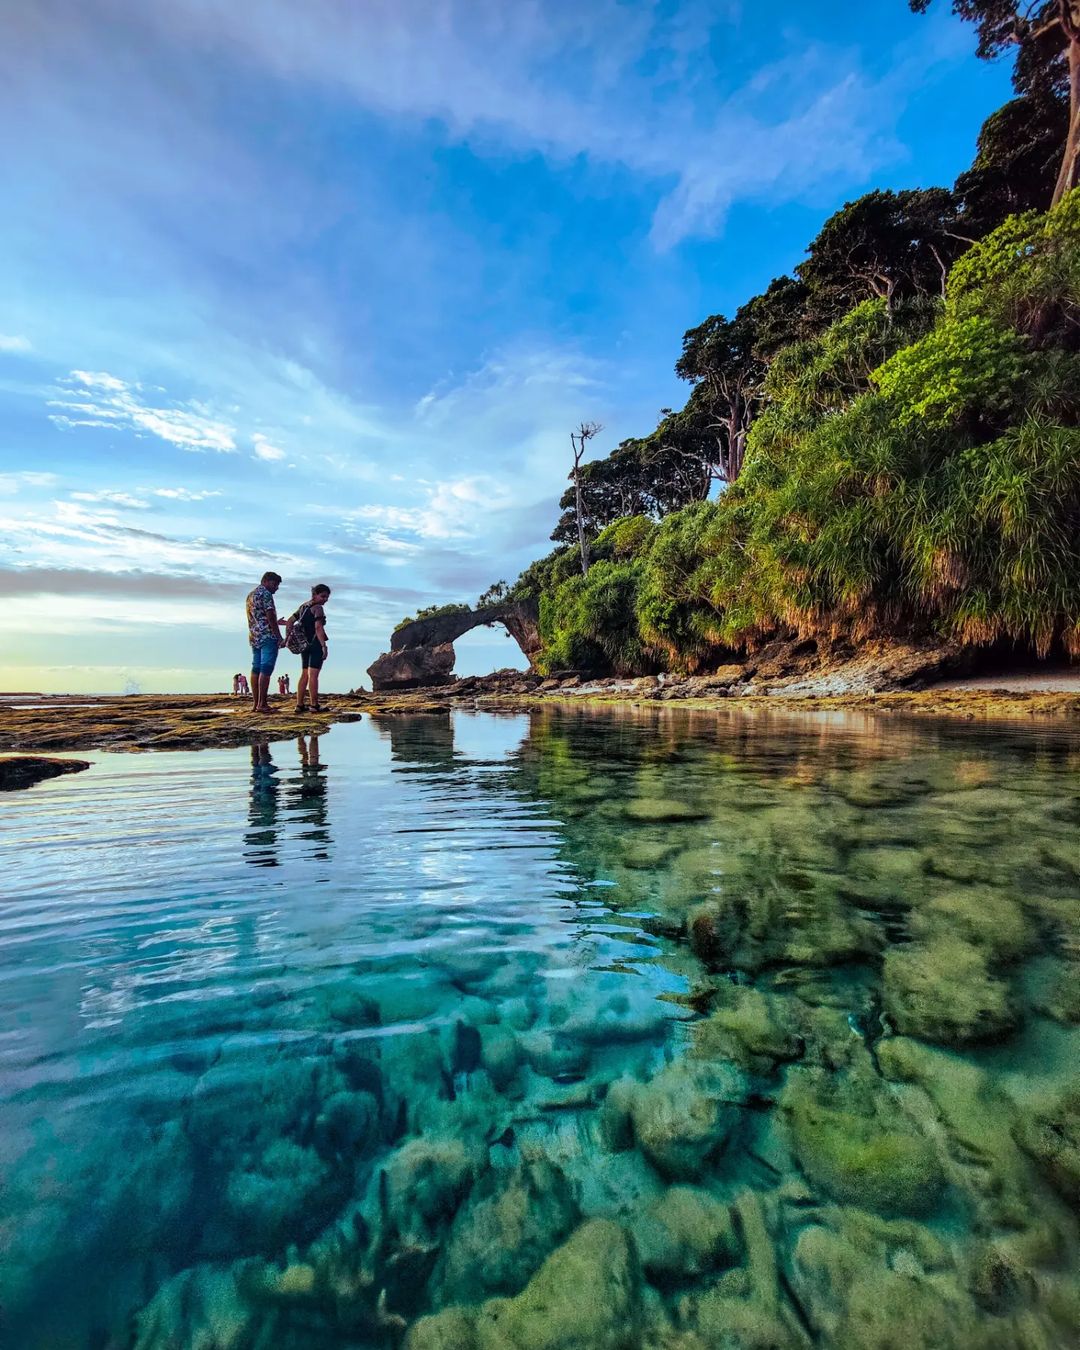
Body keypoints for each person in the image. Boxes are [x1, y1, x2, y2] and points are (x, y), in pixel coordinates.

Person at [245, 571, 285, 714]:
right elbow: (269, 615)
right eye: (275, 584)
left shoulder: (251, 595)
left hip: (254, 636)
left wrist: (276, 622)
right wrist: (279, 636)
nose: (276, 588)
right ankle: (263, 704)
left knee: (256, 668)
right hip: (267, 636)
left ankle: (256, 704)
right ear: (267, 581)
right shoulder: (266, 594)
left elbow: (258, 616)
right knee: (266, 669)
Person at [287, 584, 331, 712]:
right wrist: (324, 646)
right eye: (323, 596)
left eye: (327, 597)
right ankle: (314, 705)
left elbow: (290, 621)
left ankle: (299, 705)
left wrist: (290, 638)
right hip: (315, 644)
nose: (325, 600)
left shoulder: (303, 607)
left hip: (304, 645)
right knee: (313, 675)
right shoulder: (318, 608)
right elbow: (318, 628)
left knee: (304, 674)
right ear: (314, 594)